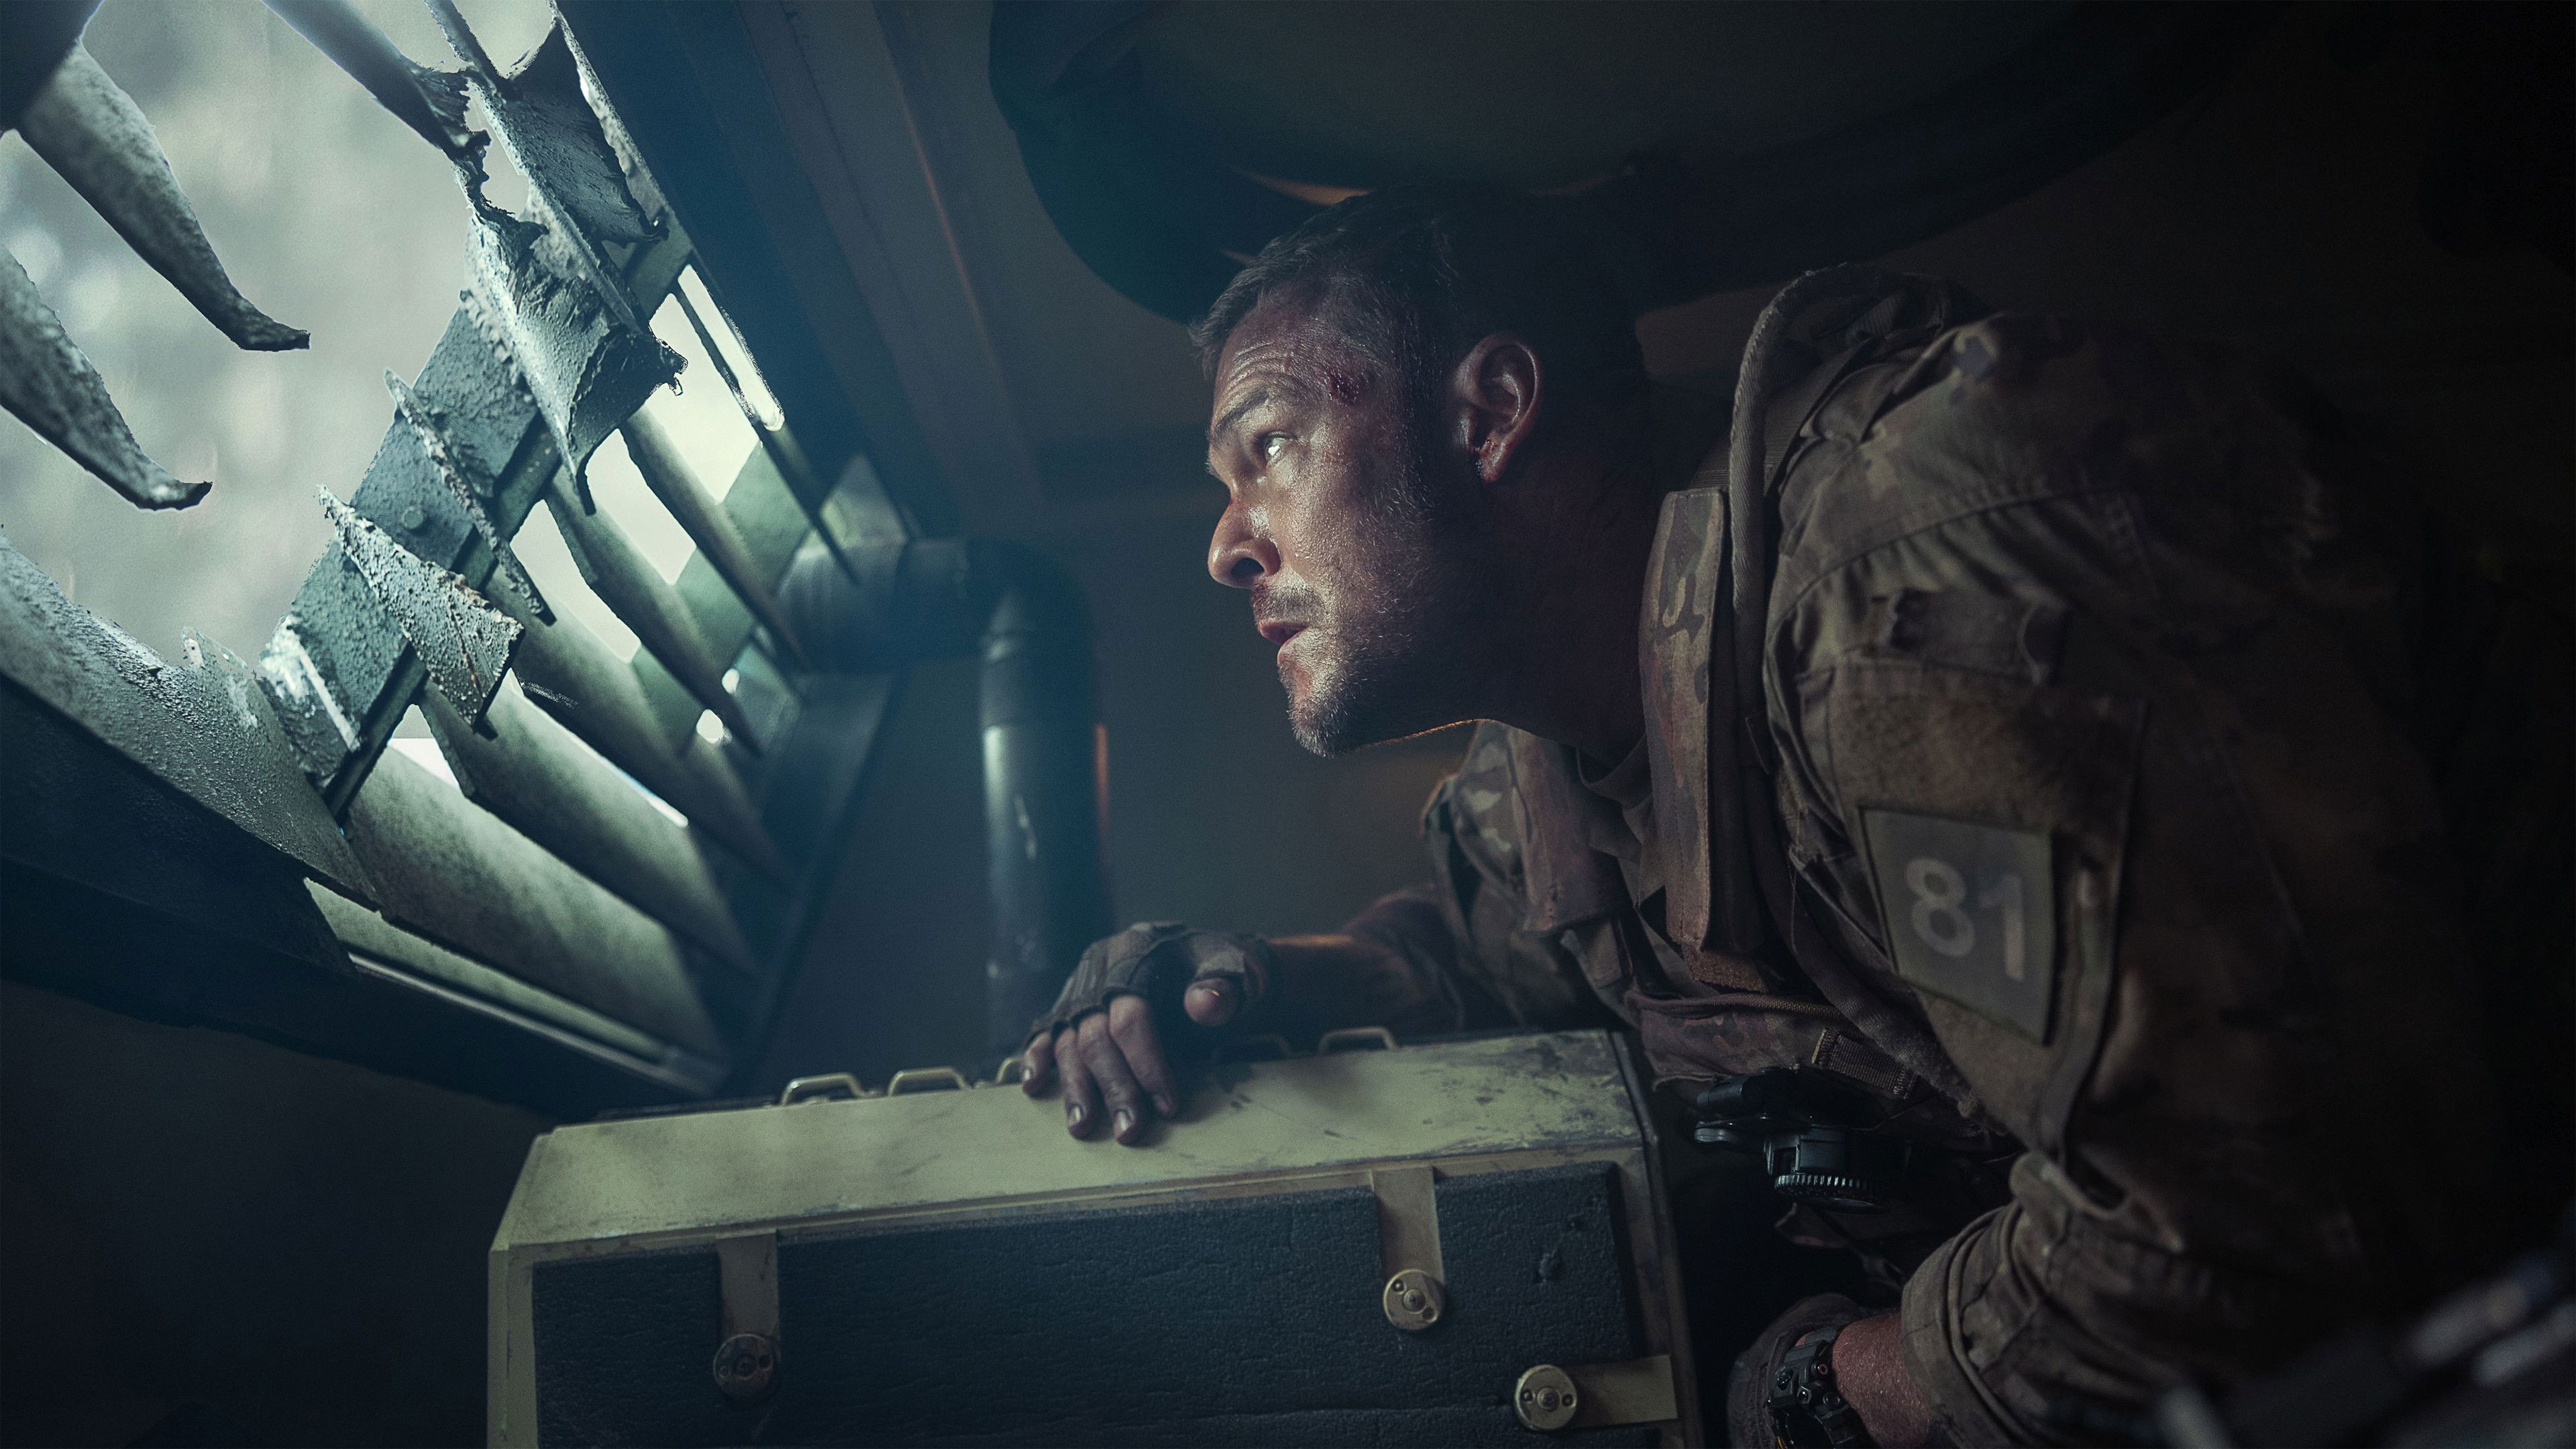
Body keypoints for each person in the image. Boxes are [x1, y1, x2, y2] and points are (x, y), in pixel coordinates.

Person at [1016, 183, 2526, 1445]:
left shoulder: (1910, 581)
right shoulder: (1546, 760)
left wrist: (1832, 1389)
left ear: (1491, 414)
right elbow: (1490, 954)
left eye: (1269, 446)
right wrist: (1252, 980)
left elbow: (2252, 1222)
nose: (1227, 544)